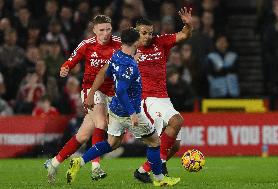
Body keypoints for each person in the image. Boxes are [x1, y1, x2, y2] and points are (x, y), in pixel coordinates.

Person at [68, 28, 180, 187]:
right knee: (155, 142)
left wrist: (133, 60)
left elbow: (110, 73)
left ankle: (80, 161)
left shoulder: (117, 56)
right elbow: (120, 91)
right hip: (128, 111)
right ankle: (160, 179)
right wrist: (133, 113)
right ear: (135, 42)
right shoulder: (129, 65)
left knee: (111, 143)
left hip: (114, 109)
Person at [44, 15, 121, 183]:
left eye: (108, 29)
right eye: (102, 30)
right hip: (90, 91)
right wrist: (65, 68)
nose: (106, 33)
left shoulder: (118, 43)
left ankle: (54, 162)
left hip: (111, 93)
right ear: (94, 30)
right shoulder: (86, 44)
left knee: (83, 135)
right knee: (101, 123)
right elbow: (71, 60)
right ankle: (95, 167)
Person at [133, 7, 193, 183]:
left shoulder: (161, 42)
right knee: (177, 121)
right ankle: (161, 167)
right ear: (136, 33)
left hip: (164, 97)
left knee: (174, 145)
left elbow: (184, 35)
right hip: (147, 99)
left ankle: (143, 170)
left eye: (150, 33)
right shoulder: (130, 50)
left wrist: (188, 24)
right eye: (144, 33)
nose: (148, 36)